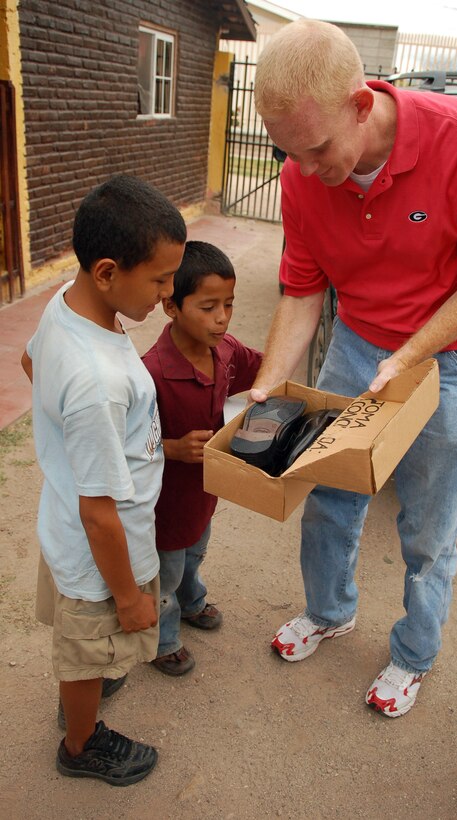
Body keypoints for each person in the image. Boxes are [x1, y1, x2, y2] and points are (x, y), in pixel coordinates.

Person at [251, 20, 457, 717]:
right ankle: (329, 610)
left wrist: (408, 355)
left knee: (429, 528)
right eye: (290, 154)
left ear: (361, 103)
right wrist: (267, 391)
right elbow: (304, 289)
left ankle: (413, 653)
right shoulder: (302, 171)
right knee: (328, 495)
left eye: (316, 149)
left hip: (451, 360)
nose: (306, 171)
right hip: (355, 344)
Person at [21, 174, 186, 783]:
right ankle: (80, 745)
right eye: (161, 280)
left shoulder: (68, 301)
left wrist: (70, 438)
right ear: (109, 272)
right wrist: (129, 597)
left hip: (75, 528)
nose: (169, 296)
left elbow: (30, 360)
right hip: (100, 553)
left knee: (90, 648)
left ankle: (84, 698)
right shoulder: (96, 384)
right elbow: (99, 514)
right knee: (90, 646)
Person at [142, 241, 262, 676]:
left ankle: (194, 603)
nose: (222, 317)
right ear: (171, 307)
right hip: (165, 507)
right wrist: (171, 448)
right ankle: (163, 640)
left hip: (205, 493)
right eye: (209, 306)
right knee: (166, 575)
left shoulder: (225, 350)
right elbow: (121, 443)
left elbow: (261, 367)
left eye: (228, 304)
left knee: (196, 554)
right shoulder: (149, 373)